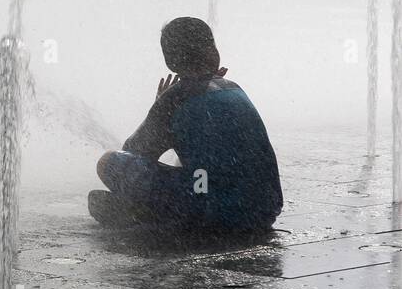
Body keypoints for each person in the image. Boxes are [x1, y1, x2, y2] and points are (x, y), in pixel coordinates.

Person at [89, 17, 283, 233]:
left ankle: (144, 212)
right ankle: (150, 211)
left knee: (108, 162)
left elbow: (134, 153)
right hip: (263, 211)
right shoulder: (233, 88)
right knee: (203, 170)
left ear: (170, 62)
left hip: (216, 217)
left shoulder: (175, 99)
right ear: (214, 52)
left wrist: (159, 106)